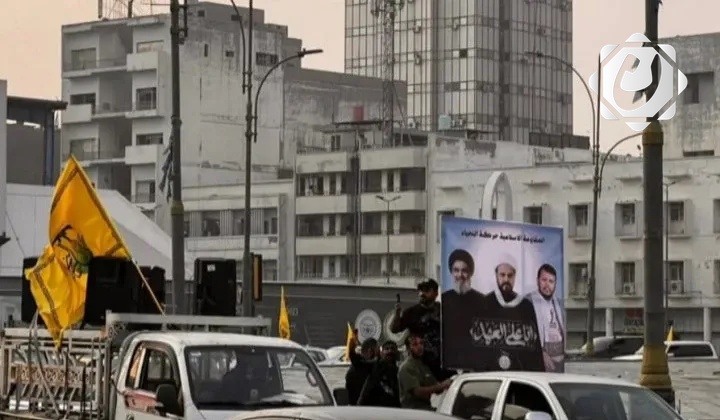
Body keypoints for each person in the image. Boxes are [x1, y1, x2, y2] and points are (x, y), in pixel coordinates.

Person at [468, 253, 544, 371]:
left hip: (519, 373)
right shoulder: (485, 303)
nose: (506, 279)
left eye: (510, 275)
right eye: (502, 275)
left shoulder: (526, 306)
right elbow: (477, 342)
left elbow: (534, 345)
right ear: (496, 275)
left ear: (515, 276)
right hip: (490, 372)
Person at [390, 279, 454, 381]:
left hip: (443, 365)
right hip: (420, 365)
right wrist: (397, 313)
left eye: (426, 290)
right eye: (420, 290)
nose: (422, 293)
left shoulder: (444, 310)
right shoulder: (411, 312)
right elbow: (394, 329)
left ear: (436, 293)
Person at [441, 249, 487, 369]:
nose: (460, 275)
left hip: (474, 363)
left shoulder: (482, 300)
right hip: (449, 362)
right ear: (451, 272)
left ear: (470, 273)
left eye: (464, 271)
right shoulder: (444, 299)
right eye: (456, 270)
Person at [398, 333, 452, 410]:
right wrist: (442, 385)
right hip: (412, 411)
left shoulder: (423, 366)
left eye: (421, 343)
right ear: (408, 348)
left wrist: (451, 382)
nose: (419, 347)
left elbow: (437, 389)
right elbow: (418, 392)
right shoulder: (406, 367)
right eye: (415, 344)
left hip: (426, 408)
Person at [527, 264, 565, 372]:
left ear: (555, 284)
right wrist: (540, 352)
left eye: (551, 281)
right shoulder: (528, 301)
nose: (547, 285)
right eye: (544, 280)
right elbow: (525, 335)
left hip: (560, 360)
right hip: (541, 358)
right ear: (537, 281)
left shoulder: (559, 304)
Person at [347, 338, 401, 407]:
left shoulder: (400, 371)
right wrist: (352, 351)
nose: (390, 351)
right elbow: (358, 363)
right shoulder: (375, 365)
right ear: (381, 353)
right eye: (387, 349)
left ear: (397, 353)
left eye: (392, 349)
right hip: (370, 409)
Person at [345, 338, 379, 405]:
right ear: (370, 351)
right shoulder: (370, 369)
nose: (379, 355)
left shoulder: (353, 368)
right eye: (378, 351)